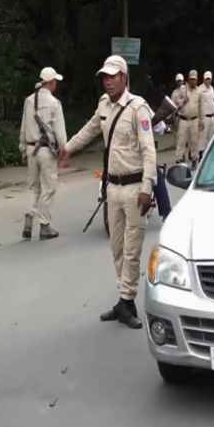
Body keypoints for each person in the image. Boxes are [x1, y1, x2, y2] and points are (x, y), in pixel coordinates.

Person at [59, 56, 157, 329]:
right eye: (105, 76)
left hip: (136, 187)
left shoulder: (138, 108)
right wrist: (68, 147)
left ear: (125, 78)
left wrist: (148, 188)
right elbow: (90, 129)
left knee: (132, 250)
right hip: (112, 188)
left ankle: (127, 300)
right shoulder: (103, 104)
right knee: (117, 247)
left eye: (114, 76)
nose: (108, 80)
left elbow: (150, 150)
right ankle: (123, 299)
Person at [18, 67, 67, 240]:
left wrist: (23, 148)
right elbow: (60, 132)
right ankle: (44, 225)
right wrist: (64, 150)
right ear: (51, 83)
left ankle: (29, 219)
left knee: (33, 188)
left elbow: (24, 126)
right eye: (56, 82)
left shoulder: (29, 101)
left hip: (31, 149)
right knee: (49, 187)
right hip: (46, 151)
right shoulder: (55, 103)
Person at [176, 69, 202, 165]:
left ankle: (194, 159)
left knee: (194, 141)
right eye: (191, 79)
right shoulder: (182, 89)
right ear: (188, 79)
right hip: (184, 119)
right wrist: (183, 101)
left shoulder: (199, 91)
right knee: (181, 140)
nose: (193, 81)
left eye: (194, 79)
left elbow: (200, 106)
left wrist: (201, 120)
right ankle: (179, 159)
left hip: (194, 119)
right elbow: (176, 103)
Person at [199, 71, 214, 160]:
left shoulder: (212, 88)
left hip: (212, 116)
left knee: (211, 137)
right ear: (204, 79)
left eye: (209, 79)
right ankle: (201, 157)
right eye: (206, 79)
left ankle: (210, 157)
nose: (208, 81)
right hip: (204, 117)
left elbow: (213, 103)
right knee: (202, 138)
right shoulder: (200, 89)